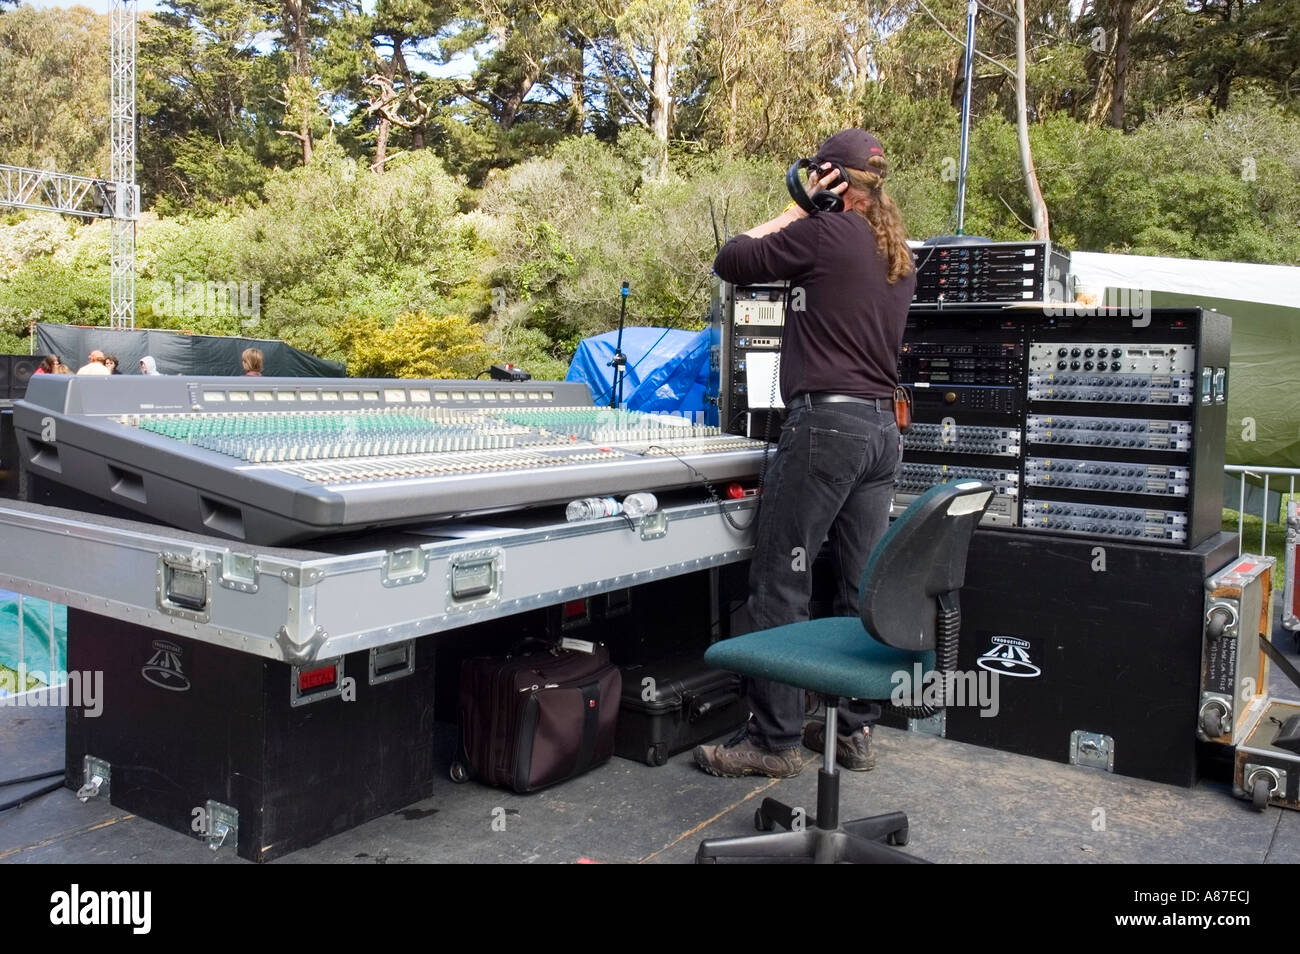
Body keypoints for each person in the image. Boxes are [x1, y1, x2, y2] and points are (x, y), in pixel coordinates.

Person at [693, 128, 917, 779]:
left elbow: (733, 258)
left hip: (827, 430)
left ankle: (774, 742)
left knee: (780, 583)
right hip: (881, 435)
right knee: (858, 586)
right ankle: (852, 731)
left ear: (832, 179)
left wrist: (797, 210)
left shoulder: (825, 232)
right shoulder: (895, 250)